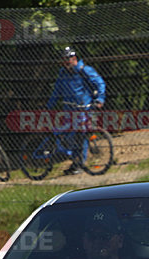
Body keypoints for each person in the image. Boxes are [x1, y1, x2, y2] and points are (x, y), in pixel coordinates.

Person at [46, 47, 106, 175]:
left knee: (80, 135)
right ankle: (75, 162)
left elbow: (100, 83)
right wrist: (49, 106)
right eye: (63, 61)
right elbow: (57, 91)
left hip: (83, 109)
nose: (65, 64)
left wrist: (100, 99)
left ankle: (79, 163)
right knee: (68, 136)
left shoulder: (85, 70)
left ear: (74, 59)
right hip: (68, 110)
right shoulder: (63, 73)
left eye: (67, 60)